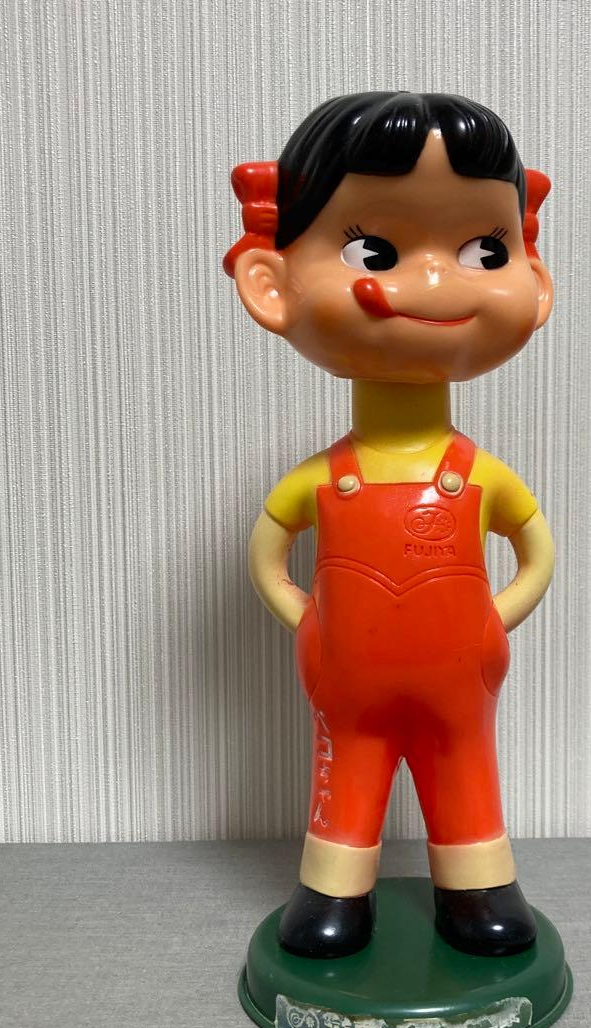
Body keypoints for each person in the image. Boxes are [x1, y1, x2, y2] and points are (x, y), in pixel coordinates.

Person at [225, 92, 555, 959]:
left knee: (465, 768)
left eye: (486, 251)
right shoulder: (321, 480)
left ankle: (479, 889)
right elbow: (267, 556)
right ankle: (334, 892)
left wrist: (494, 618)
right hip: (350, 679)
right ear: (269, 282)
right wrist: (309, 621)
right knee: (347, 773)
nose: (436, 283)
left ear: (536, 282)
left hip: (458, 677)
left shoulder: (477, 475)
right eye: (374, 250)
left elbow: (535, 552)